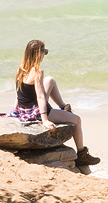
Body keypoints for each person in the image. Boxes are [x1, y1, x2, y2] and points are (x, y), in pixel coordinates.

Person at [11, 39, 97, 167]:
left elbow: (19, 94)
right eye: (44, 52)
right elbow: (40, 96)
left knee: (50, 81)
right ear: (38, 54)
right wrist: (45, 119)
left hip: (24, 109)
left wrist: (14, 111)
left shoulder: (21, 69)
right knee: (77, 120)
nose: (44, 55)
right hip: (36, 111)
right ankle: (82, 155)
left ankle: (63, 106)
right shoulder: (37, 71)